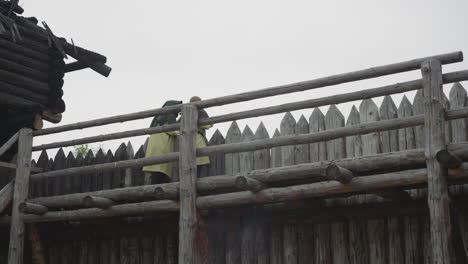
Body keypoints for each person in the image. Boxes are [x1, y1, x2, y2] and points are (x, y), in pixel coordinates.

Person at [142, 100, 183, 184]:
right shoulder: (170, 115)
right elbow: (171, 130)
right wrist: (182, 132)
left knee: (155, 169)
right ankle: (157, 193)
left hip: (154, 144)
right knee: (160, 170)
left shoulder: (158, 116)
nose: (178, 110)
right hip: (162, 144)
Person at [189, 96, 212, 177]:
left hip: (186, 142)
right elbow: (208, 125)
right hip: (198, 139)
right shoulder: (201, 111)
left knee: (190, 167)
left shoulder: (185, 112)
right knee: (202, 164)